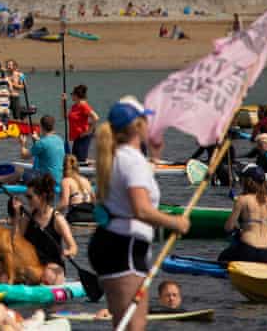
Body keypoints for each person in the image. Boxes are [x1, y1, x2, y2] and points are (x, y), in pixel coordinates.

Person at [87, 96, 190, 331]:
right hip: (125, 247)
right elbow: (141, 209)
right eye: (146, 120)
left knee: (122, 324)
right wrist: (175, 222)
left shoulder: (118, 157)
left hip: (111, 243)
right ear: (138, 126)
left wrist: (153, 157)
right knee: (134, 326)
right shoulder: (131, 161)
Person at [12, 174, 77, 285]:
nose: (27, 200)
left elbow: (73, 247)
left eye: (30, 197)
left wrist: (68, 252)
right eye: (26, 196)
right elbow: (16, 242)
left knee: (47, 274)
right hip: (31, 263)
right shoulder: (28, 217)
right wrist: (17, 216)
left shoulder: (58, 219)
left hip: (52, 265)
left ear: (42, 196)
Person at [218, 165, 267, 263]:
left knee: (222, 257)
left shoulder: (242, 200)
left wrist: (241, 231)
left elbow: (228, 227)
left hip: (248, 249)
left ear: (248, 181)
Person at [19, 115, 65, 194]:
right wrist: (37, 140)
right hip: (58, 179)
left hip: (45, 181)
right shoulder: (59, 139)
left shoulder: (41, 143)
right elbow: (47, 146)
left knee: (18, 171)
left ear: (41, 127)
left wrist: (22, 144)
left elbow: (24, 155)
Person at [58, 154, 95, 224]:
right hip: (91, 216)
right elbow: (94, 199)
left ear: (63, 167)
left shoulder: (66, 181)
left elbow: (64, 202)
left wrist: (53, 211)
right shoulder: (85, 180)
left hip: (76, 216)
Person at [66, 85, 99, 163]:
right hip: (77, 137)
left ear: (76, 95)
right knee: (75, 160)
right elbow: (65, 116)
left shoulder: (83, 105)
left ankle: (90, 170)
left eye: (72, 94)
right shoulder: (74, 106)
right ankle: (94, 163)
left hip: (83, 136)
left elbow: (96, 117)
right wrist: (62, 102)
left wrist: (88, 131)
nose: (71, 96)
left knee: (80, 160)